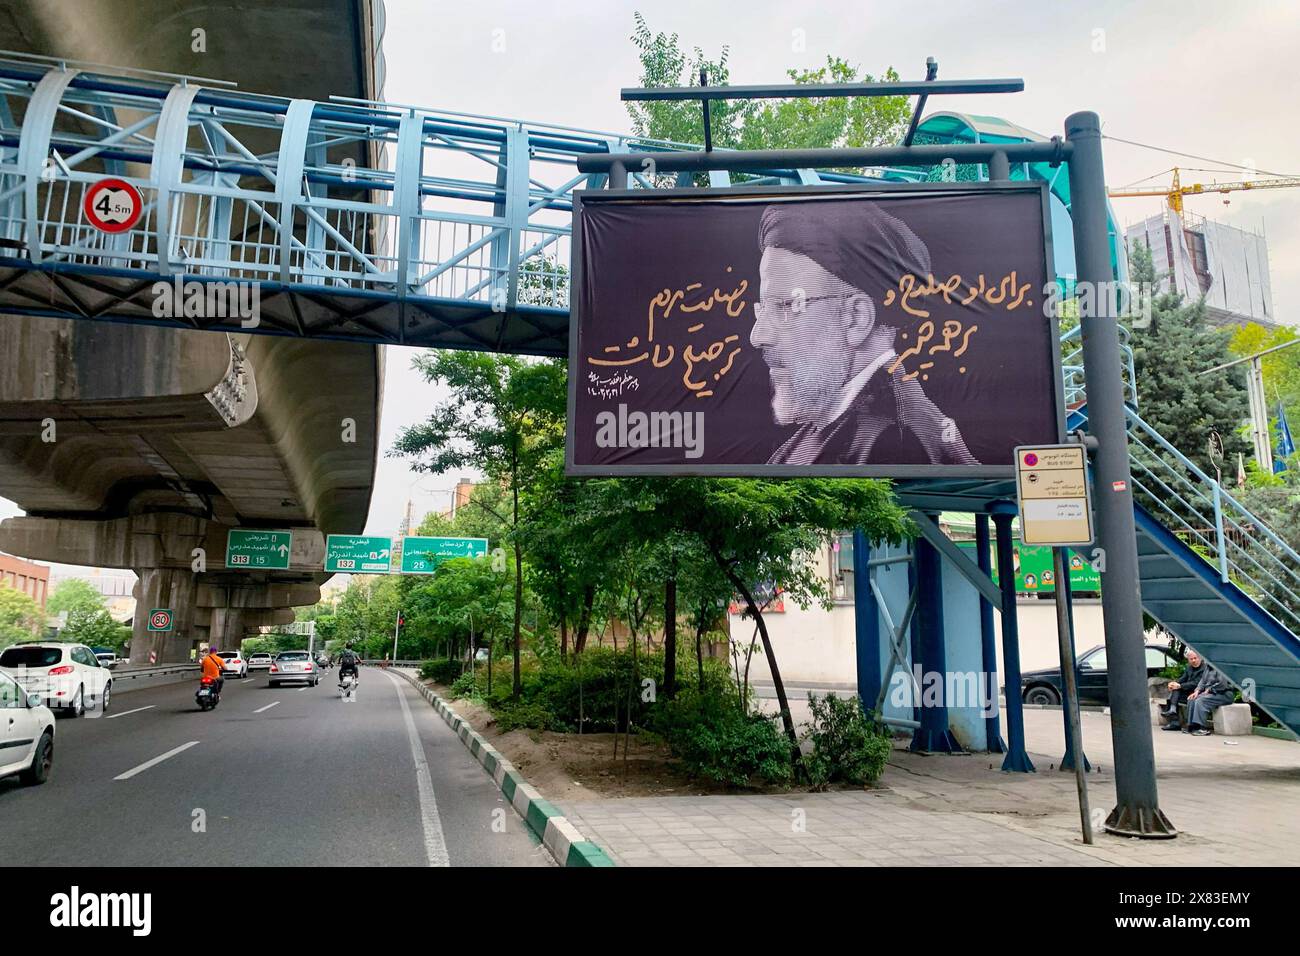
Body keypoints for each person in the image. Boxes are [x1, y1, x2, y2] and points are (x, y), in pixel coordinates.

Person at [750, 200, 978, 467]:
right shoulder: (828, 427)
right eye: (762, 308)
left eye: (786, 306)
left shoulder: (893, 440)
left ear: (856, 318)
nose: (758, 335)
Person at [1160, 648, 1205, 731]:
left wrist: (1179, 685)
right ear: (1188, 660)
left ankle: (1174, 717)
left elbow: (1196, 683)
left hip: (1199, 693)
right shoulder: (1189, 668)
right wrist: (1173, 683)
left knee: (1175, 692)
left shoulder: (1204, 669)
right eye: (1191, 659)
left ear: (1200, 658)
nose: (1194, 661)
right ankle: (1174, 720)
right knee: (1173, 693)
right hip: (1188, 692)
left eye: (1195, 658)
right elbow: (1182, 678)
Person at [1185, 663, 1236, 736]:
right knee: (1192, 699)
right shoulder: (1208, 667)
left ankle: (1202, 728)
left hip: (1224, 694)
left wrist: (1210, 689)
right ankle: (1192, 726)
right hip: (1212, 693)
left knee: (1201, 700)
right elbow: (1202, 681)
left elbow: (1222, 684)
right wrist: (1197, 691)